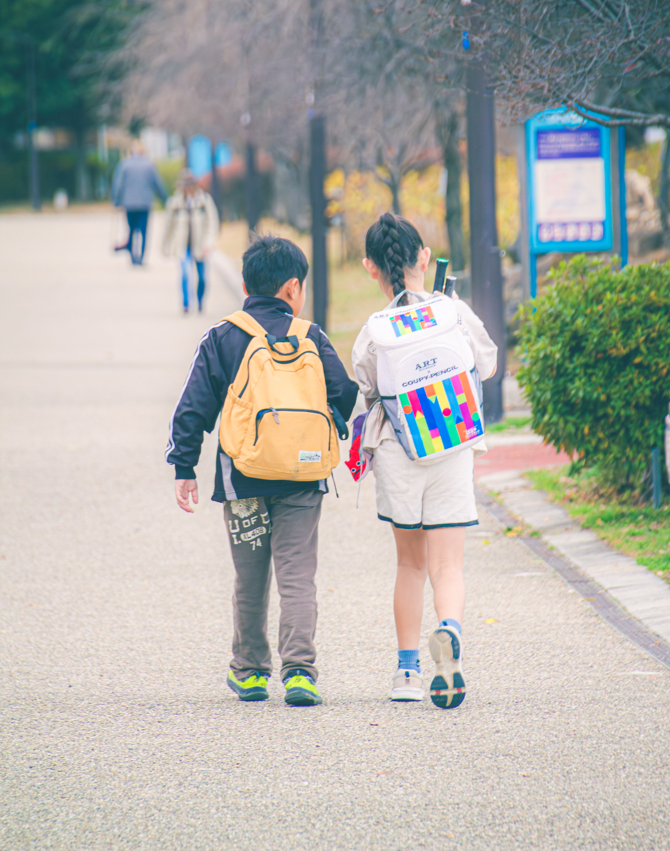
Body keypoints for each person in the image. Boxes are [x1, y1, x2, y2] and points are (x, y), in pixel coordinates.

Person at [166, 235, 358, 706]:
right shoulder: (311, 336)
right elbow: (346, 395)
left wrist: (184, 465)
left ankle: (250, 671)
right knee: (297, 575)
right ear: (293, 288)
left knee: (249, 576)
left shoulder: (224, 336)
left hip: (242, 479)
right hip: (303, 477)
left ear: (248, 283)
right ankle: (299, 673)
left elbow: (193, 407)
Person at [352, 213, 497, 709]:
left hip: (399, 452)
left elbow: (366, 387)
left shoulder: (375, 329)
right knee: (447, 564)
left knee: (410, 565)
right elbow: (490, 362)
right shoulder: (453, 310)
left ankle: (407, 672)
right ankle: (450, 630)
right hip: (453, 445)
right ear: (424, 258)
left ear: (371, 269)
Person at [162, 171, 220, 313]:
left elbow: (212, 222)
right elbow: (169, 225)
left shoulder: (204, 200)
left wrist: (209, 243)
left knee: (202, 277)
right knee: (185, 274)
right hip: (183, 245)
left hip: (200, 244)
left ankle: (200, 301)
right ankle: (186, 304)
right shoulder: (175, 202)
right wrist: (166, 245)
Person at [111, 140, 167, 265]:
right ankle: (142, 257)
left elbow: (118, 184)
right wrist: (164, 198)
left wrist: (116, 200)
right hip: (145, 203)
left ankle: (132, 257)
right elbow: (157, 183)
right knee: (144, 231)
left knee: (131, 229)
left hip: (129, 203)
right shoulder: (149, 164)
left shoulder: (124, 164)